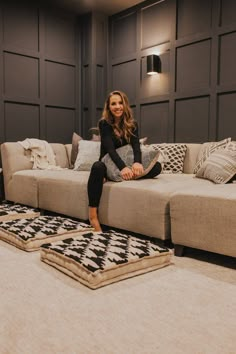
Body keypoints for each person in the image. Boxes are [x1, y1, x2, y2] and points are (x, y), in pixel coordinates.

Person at [87, 90, 162, 231]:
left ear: (125, 104)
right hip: (108, 163)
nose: (117, 106)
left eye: (120, 103)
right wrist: (123, 168)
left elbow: (136, 146)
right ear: (108, 107)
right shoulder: (104, 124)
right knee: (97, 167)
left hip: (125, 164)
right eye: (113, 103)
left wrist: (137, 163)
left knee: (157, 167)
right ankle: (93, 217)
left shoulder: (132, 124)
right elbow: (110, 149)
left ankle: (124, 176)